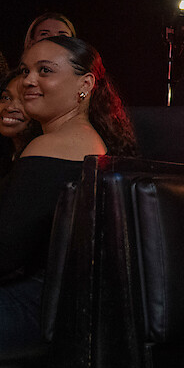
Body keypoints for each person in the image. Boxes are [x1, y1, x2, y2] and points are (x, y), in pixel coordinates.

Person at [1, 36, 137, 349]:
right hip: (54, 308)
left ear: (85, 85)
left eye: (45, 70)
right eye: (24, 71)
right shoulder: (88, 140)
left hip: (31, 306)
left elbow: (5, 251)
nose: (28, 80)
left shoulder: (52, 146)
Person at [1, 71, 39, 176]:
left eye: (24, 101)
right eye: (6, 98)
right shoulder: (8, 152)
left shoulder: (40, 161)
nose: (10, 108)